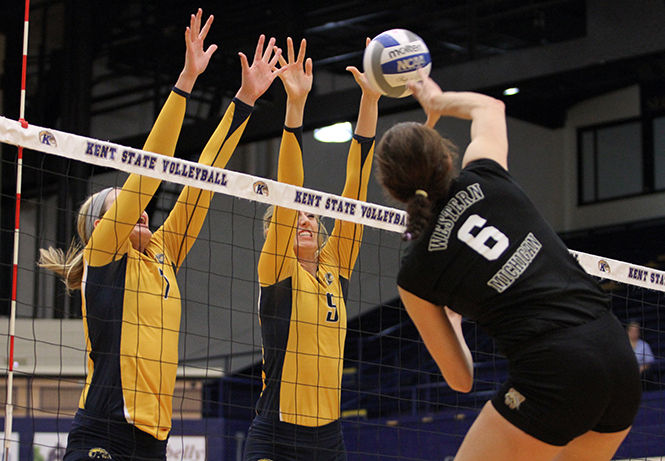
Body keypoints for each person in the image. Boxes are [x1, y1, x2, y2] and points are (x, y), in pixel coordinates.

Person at [38, 10, 285, 460]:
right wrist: (186, 81)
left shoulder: (163, 252)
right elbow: (151, 169)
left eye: (141, 212)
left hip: (156, 441)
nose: (143, 215)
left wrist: (245, 101)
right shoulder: (105, 253)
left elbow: (204, 178)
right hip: (105, 433)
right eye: (128, 209)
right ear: (100, 226)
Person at [373, 69, 642, 461]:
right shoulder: (487, 177)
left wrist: (452, 322)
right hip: (616, 356)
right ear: (447, 158)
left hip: (555, 373)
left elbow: (461, 380)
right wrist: (435, 101)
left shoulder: (415, 275)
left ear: (392, 191)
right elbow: (489, 107)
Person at [242, 37, 380, 461]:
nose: (305, 218)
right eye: (297, 216)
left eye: (312, 216)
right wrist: (295, 106)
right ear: (276, 232)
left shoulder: (335, 265)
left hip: (329, 440)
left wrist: (370, 99)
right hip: (276, 435)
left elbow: (356, 185)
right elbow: (288, 190)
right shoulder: (277, 269)